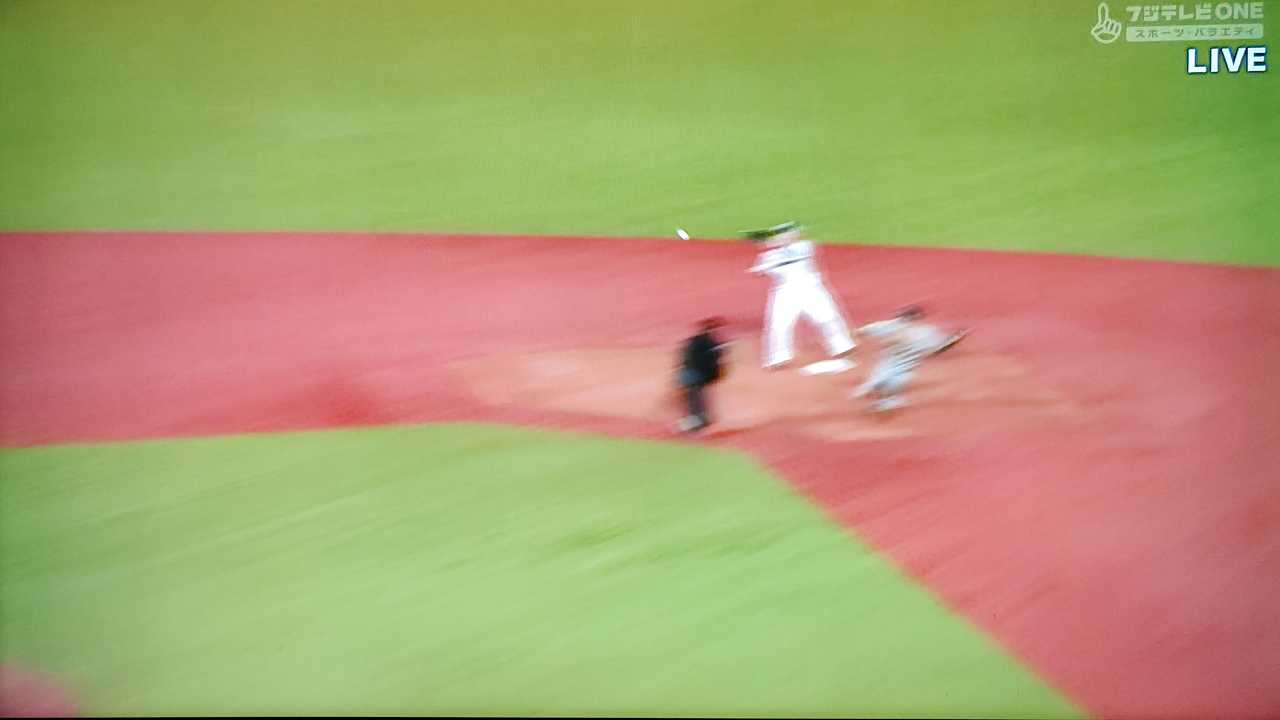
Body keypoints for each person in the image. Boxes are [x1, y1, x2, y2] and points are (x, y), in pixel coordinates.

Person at [744, 221, 856, 374]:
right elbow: (759, 272)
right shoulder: (768, 256)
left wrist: (770, 245)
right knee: (780, 325)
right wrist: (768, 255)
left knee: (827, 317)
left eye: (789, 234)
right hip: (785, 293)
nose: (787, 237)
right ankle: (779, 357)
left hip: (812, 289)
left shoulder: (804, 246)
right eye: (783, 235)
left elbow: (788, 255)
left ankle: (842, 346)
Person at [852, 305, 968, 412]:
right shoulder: (924, 332)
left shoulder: (891, 326)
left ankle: (882, 399)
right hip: (899, 370)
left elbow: (861, 331)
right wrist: (954, 339)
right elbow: (938, 349)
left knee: (882, 386)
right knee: (884, 387)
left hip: (894, 368)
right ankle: (883, 398)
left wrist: (952, 340)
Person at [674, 317, 730, 434]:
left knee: (694, 401)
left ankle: (698, 423)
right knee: (695, 401)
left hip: (690, 375)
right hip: (694, 375)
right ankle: (698, 423)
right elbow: (710, 360)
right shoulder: (708, 343)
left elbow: (685, 359)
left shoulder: (696, 341)